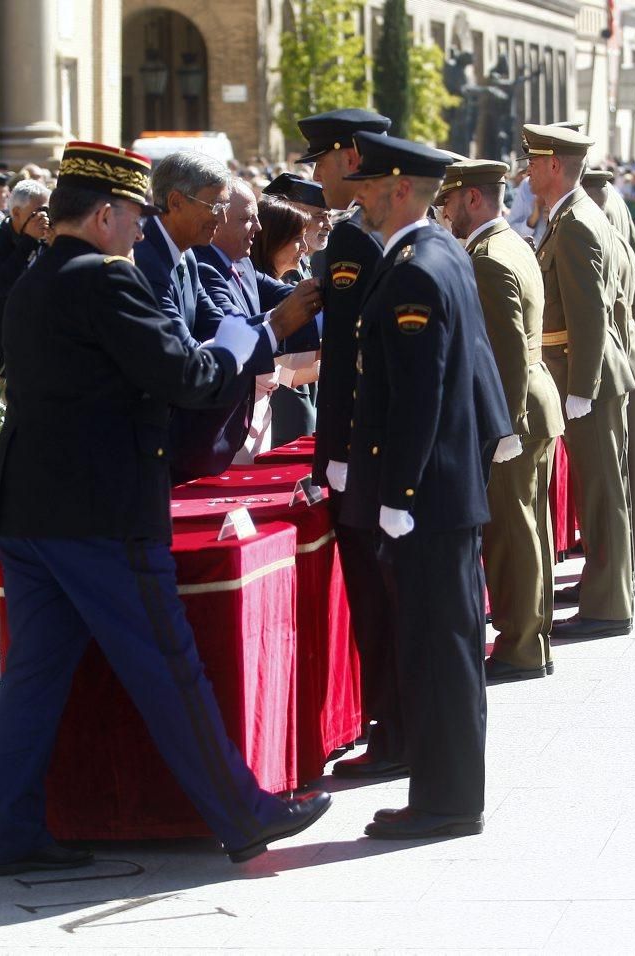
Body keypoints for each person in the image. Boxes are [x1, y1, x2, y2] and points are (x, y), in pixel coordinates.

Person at [0, 139, 331, 878]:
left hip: (30, 510)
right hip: (100, 516)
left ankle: (9, 831)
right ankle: (244, 812)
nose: (142, 231)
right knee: (171, 666)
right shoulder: (108, 282)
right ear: (104, 215)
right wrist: (242, 344)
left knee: (35, 678)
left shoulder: (38, 278)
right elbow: (189, 379)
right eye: (135, 217)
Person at [339, 131, 509, 839]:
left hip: (428, 500)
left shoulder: (414, 266)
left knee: (437, 651)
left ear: (400, 187)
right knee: (448, 646)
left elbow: (420, 393)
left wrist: (398, 498)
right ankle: (447, 794)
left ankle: (443, 804)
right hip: (447, 491)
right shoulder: (439, 251)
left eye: (370, 183)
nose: (360, 195)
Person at [297, 107, 408, 779]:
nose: (316, 175)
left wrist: (331, 455)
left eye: (318, 160)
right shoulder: (374, 236)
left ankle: (393, 734)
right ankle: (396, 725)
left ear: (346, 157)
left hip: (361, 449)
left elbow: (342, 360)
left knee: (375, 596)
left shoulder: (352, 246)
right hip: (380, 445)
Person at [438, 160, 565, 684]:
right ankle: (532, 636)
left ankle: (520, 646)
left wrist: (504, 427)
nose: (444, 214)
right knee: (530, 528)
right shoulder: (510, 242)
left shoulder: (487, 257)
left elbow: (507, 352)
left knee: (514, 535)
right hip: (537, 402)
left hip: (518, 411)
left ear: (472, 199)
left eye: (448, 202)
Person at [134, 152, 321, 483]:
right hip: (157, 443)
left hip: (188, 439)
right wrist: (277, 325)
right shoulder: (148, 261)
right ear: (176, 202)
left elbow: (220, 326)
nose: (218, 219)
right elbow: (186, 353)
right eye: (214, 207)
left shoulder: (185, 256)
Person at [523, 123, 635, 639]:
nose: (526, 171)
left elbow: (589, 314)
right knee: (600, 488)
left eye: (532, 161)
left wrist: (581, 390)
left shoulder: (574, 223)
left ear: (553, 165)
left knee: (600, 490)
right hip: (582, 370)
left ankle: (609, 605)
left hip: (584, 373)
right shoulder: (570, 215)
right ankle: (603, 586)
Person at [193, 180, 319, 464]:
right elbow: (230, 329)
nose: (257, 228)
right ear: (217, 219)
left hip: (252, 421)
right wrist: (281, 322)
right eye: (246, 219)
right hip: (221, 426)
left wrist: (343, 299)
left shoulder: (242, 263)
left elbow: (286, 295)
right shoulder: (204, 265)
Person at [582, 168, 635, 574]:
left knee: (626, 469)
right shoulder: (613, 204)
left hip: (621, 353)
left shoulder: (592, 219)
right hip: (633, 350)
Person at [263, 173, 331, 445]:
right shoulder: (276, 272)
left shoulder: (304, 263)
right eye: (318, 216)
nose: (327, 225)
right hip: (284, 392)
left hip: (304, 382)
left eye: (329, 217)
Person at [0, 178, 51, 390]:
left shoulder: (49, 243)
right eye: (38, 212)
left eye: (48, 211)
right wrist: (29, 242)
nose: (44, 219)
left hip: (38, 357)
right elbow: (1, 285)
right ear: (16, 213)